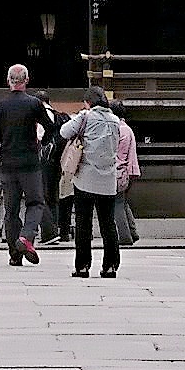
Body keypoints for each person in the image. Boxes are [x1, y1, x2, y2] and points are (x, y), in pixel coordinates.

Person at [0, 62, 60, 265]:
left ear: (8, 80)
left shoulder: (0, 106)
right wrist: (42, 144)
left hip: (8, 162)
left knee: (11, 210)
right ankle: (26, 237)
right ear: (27, 80)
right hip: (30, 161)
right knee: (36, 202)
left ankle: (15, 255)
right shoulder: (34, 103)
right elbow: (51, 127)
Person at [58, 92, 134, 279]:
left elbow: (63, 132)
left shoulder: (86, 116)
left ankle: (82, 266)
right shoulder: (115, 121)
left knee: (83, 223)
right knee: (108, 223)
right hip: (108, 178)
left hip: (85, 177)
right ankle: (110, 266)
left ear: (88, 102)